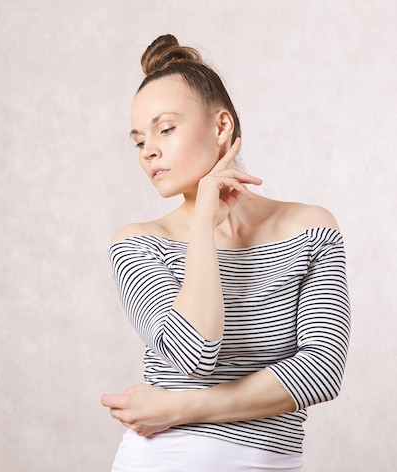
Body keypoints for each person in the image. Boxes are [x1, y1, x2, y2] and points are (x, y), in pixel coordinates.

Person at [100, 34, 350, 471]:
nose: (149, 151)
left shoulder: (312, 228)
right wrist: (202, 224)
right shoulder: (137, 243)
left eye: (166, 128)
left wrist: (179, 408)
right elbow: (194, 353)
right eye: (139, 140)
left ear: (221, 126)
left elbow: (323, 371)